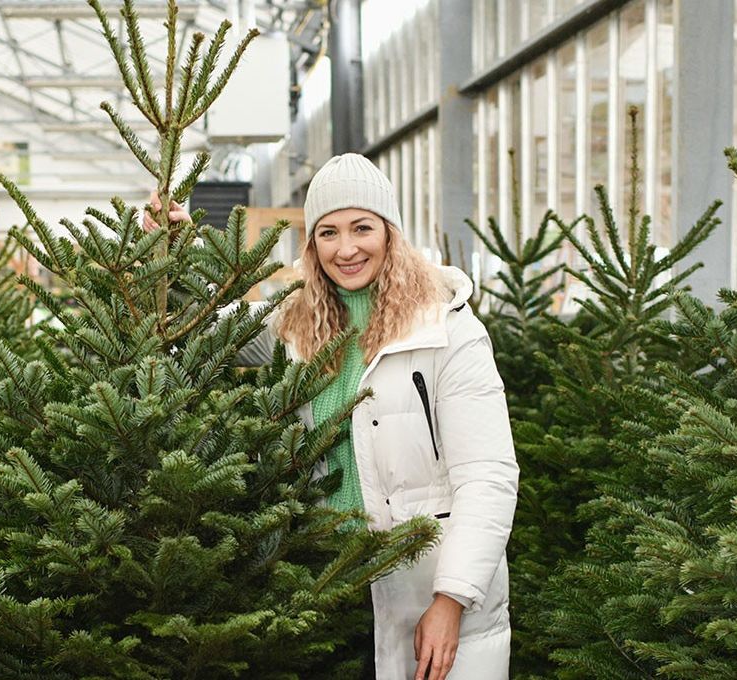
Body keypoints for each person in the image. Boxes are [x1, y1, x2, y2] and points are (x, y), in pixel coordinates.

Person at [144, 153, 518, 680]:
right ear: (312, 244)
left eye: (361, 227)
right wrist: (178, 252)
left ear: (389, 232)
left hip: (425, 588)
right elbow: (208, 333)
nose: (346, 248)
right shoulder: (300, 319)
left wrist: (451, 599)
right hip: (327, 586)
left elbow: (489, 477)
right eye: (328, 232)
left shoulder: (446, 330)